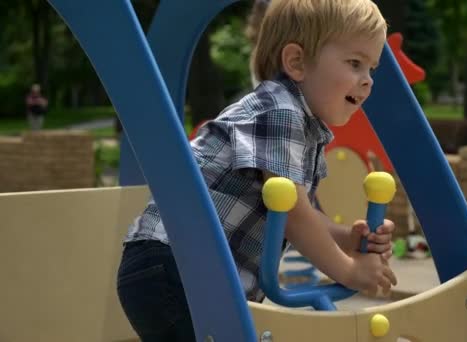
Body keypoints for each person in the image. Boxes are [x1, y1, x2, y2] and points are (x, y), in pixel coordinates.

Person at [116, 0, 396, 340]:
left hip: (188, 271)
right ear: (296, 62)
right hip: (176, 266)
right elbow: (293, 214)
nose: (367, 81)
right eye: (355, 63)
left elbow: (296, 211)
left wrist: (348, 237)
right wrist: (349, 270)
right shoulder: (279, 110)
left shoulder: (302, 125)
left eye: (371, 68)